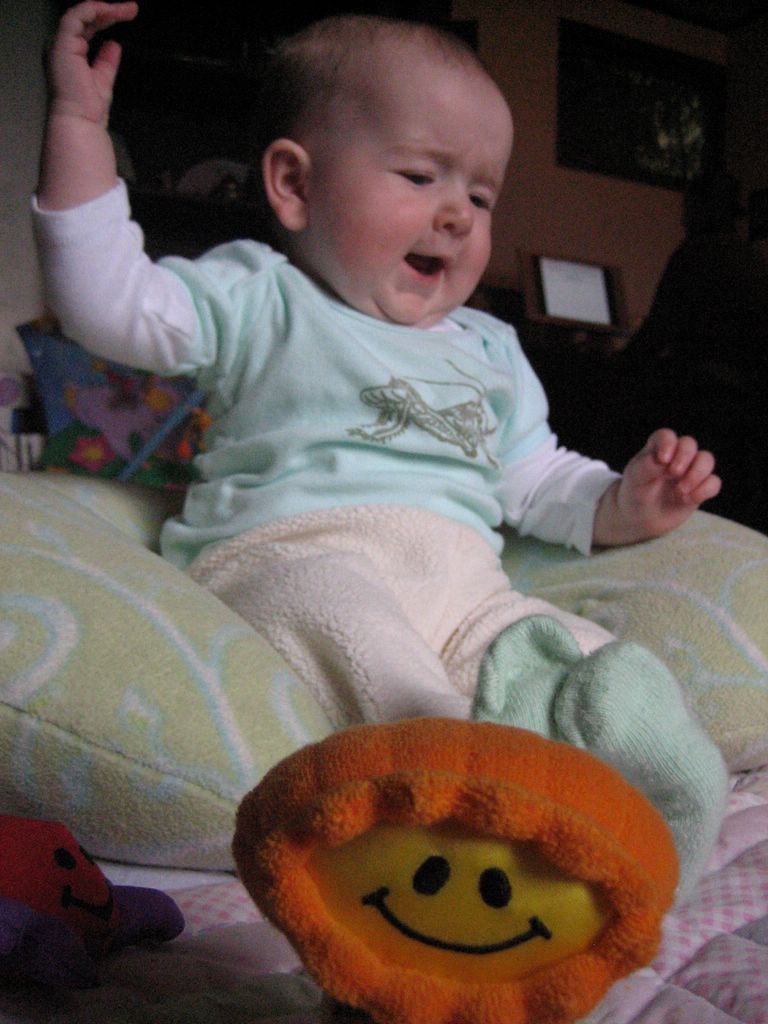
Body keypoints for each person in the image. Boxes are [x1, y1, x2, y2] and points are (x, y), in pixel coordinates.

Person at [34, 1, 727, 896]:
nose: (457, 215)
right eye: (420, 176)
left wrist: (624, 501)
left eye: (481, 196)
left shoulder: (490, 349)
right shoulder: (263, 295)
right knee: (355, 632)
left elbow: (536, 477)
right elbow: (108, 302)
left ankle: (649, 822)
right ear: (295, 185)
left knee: (569, 654)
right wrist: (78, 125)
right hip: (293, 553)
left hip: (465, 589)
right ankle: (456, 800)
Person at [621, 171, 768, 532]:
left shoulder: (695, 254)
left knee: (620, 414)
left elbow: (657, 333)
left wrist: (616, 364)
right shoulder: (751, 259)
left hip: (702, 400)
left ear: (699, 209)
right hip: (746, 408)